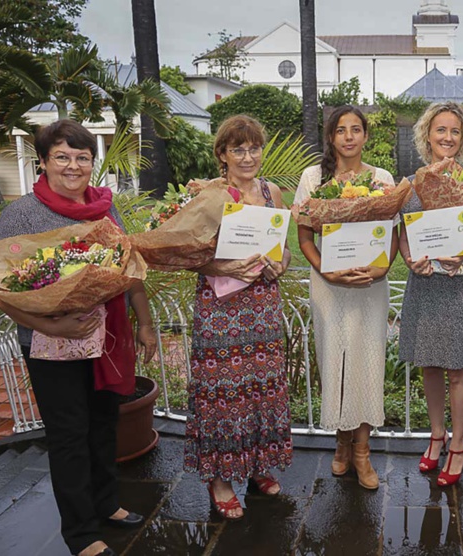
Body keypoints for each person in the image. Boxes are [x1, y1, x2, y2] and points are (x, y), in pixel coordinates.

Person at [0, 119, 157, 556]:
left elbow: (130, 268)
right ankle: (81, 533)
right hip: (50, 345)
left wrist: (144, 323)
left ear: (92, 162)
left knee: (104, 424)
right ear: (44, 162)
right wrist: (51, 325)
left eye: (82, 157)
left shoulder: (106, 207)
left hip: (107, 338)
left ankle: (106, 504)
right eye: (62, 157)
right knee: (69, 434)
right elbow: (2, 288)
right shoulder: (21, 215)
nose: (73, 166)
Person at [184, 115, 293, 520]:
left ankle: (258, 465)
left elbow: (282, 248)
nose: (248, 156)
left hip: (262, 305)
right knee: (223, 392)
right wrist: (223, 267)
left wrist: (280, 264)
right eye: (238, 149)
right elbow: (186, 253)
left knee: (260, 387)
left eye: (253, 148)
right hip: (221, 307)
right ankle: (220, 478)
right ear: (222, 154)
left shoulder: (272, 191)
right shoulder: (208, 194)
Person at [294, 105, 397, 490]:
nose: (349, 136)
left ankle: (362, 452)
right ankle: (340, 444)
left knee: (368, 360)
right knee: (333, 359)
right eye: (341, 130)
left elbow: (394, 233)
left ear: (366, 136)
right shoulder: (314, 177)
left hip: (371, 284)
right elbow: (304, 236)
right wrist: (326, 269)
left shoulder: (382, 178)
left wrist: (382, 268)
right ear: (331, 137)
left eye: (356, 129)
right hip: (329, 284)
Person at [398, 101, 463, 486]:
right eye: (441, 130)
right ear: (427, 135)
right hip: (426, 282)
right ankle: (436, 436)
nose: (448, 137)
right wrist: (409, 259)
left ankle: (458, 444)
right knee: (430, 364)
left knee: (458, 367)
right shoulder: (412, 182)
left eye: (455, 131)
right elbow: (404, 232)